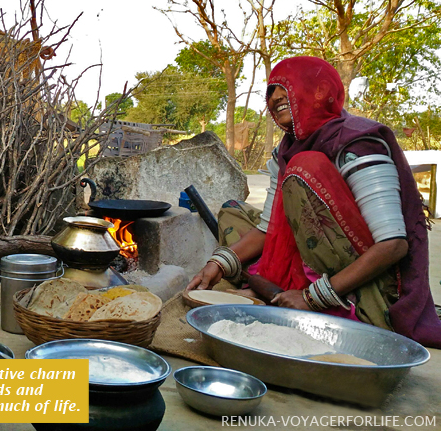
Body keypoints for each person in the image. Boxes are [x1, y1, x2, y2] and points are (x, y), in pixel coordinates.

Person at [187, 56, 441, 348]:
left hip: (362, 275)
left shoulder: (357, 143)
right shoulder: (284, 150)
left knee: (304, 168)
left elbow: (393, 245)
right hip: (314, 253)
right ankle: (276, 286)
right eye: (271, 90)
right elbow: (268, 228)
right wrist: (217, 263)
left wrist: (313, 297)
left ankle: (304, 293)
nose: (275, 97)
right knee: (232, 212)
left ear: (320, 91)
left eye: (287, 87)